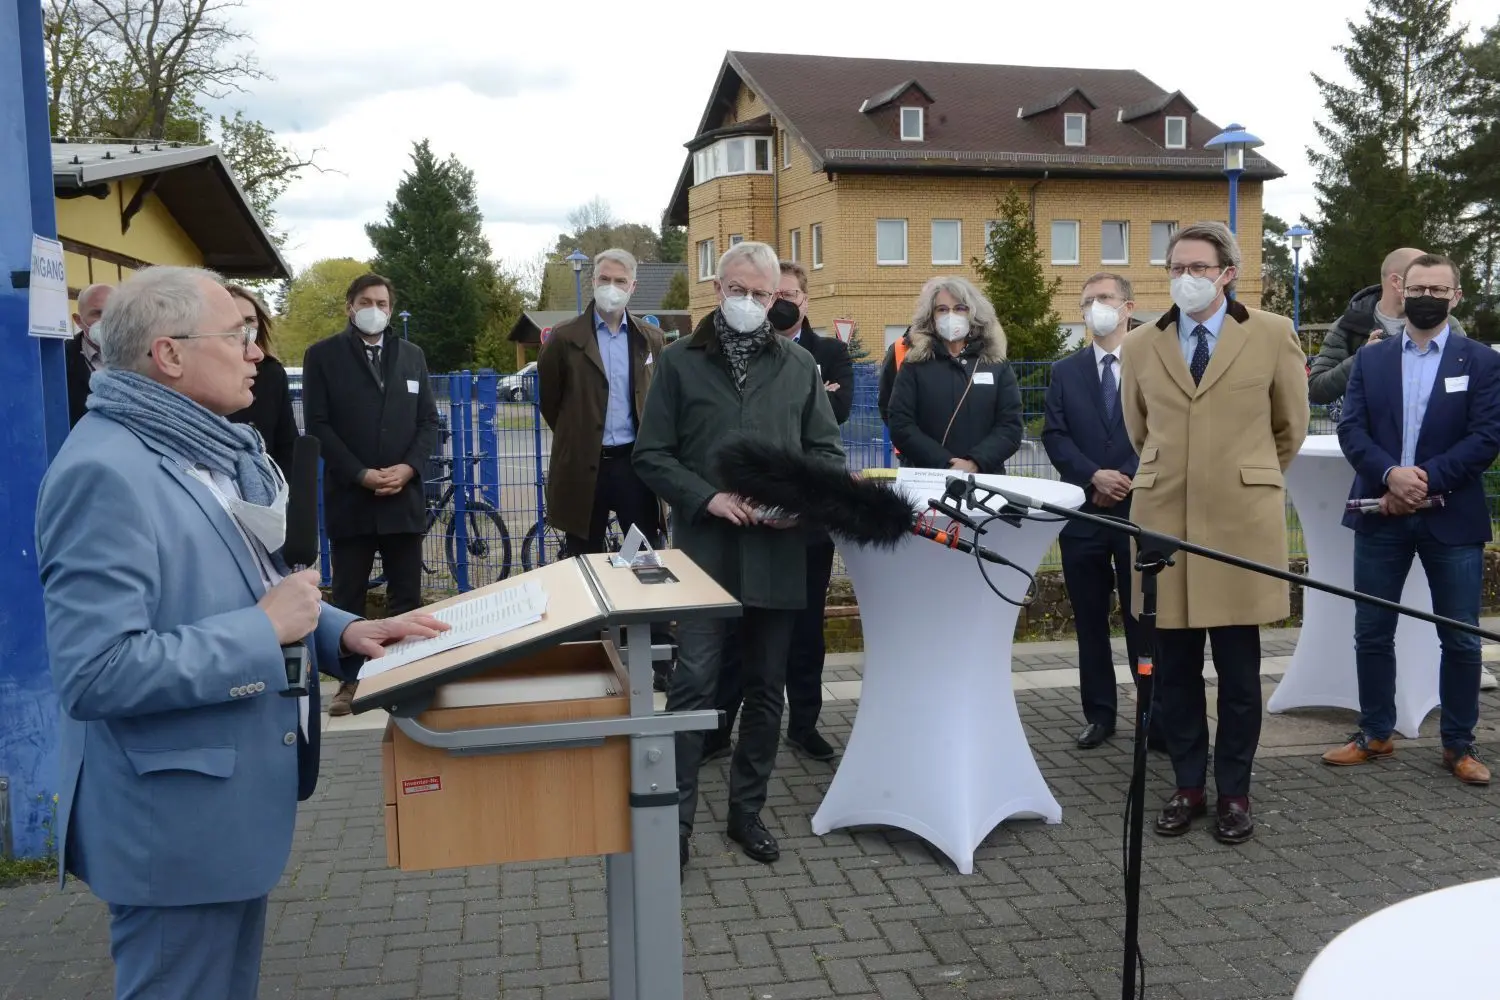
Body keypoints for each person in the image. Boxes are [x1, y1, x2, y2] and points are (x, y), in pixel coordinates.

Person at [35, 265, 446, 1000]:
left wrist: (343, 634)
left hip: (219, 822)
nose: (257, 352)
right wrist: (263, 631)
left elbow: (255, 592)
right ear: (169, 355)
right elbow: (95, 672)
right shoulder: (105, 471)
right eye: (240, 335)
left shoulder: (205, 448)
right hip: (174, 829)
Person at [633, 241, 845, 868]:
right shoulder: (677, 364)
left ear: (778, 295)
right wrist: (708, 498)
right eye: (739, 291)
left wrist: (796, 501)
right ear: (717, 290)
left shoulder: (800, 366)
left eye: (763, 293)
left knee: (766, 690)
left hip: (777, 553)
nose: (750, 303)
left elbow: (827, 455)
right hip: (706, 552)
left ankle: (745, 814)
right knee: (695, 686)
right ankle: (675, 824)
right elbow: (651, 455)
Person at [1120, 221, 1309, 845]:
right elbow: (1137, 430)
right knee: (1172, 672)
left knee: (1238, 671)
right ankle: (1188, 785)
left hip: (1239, 524)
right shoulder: (1143, 344)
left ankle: (1234, 791)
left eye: (1199, 267)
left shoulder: (1274, 335)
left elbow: (1290, 427)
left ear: (1227, 273)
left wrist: (1245, 477)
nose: (1186, 277)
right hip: (1163, 521)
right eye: (1177, 266)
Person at [1323, 253, 1500, 784]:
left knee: (1461, 637)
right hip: (1382, 512)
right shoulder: (1372, 360)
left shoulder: (1482, 362)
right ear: (1401, 292)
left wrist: (1422, 478)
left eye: (1438, 289)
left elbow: (1487, 437)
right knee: (1373, 631)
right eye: (1418, 287)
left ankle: (1459, 745)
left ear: (1456, 297)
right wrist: (1391, 477)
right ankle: (1375, 731)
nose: (1427, 297)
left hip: (1452, 517)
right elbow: (1352, 429)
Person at [704, 261, 854, 764]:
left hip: (802, 522)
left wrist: (795, 494)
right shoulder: (733, 355)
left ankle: (805, 724)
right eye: (774, 292)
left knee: (805, 633)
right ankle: (719, 729)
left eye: (785, 293)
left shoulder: (826, 353)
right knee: (733, 635)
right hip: (742, 522)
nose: (777, 301)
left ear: (798, 300)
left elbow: (836, 418)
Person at [302, 273, 440, 715]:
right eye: (366, 301)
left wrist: (410, 467)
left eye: (382, 302)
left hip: (403, 496)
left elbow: (427, 423)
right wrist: (360, 473)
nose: (374, 309)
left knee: (406, 596)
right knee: (348, 596)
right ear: (349, 306)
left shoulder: (412, 356)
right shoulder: (322, 356)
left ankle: (407, 678)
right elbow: (318, 425)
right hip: (352, 496)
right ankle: (350, 682)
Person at [1042, 272, 1150, 750]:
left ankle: (1154, 714)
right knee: (1089, 621)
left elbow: (1163, 429)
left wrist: (1123, 474)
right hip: (1084, 515)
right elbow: (1055, 435)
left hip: (1138, 510)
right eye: (1087, 301)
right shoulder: (1065, 371)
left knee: (1143, 618)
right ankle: (1100, 714)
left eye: (1104, 298)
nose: (1094, 308)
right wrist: (1093, 476)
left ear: (1128, 306)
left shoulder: (1154, 364)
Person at [538, 248, 667, 556]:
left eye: (620, 281)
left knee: (644, 555)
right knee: (583, 557)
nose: (612, 287)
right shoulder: (564, 338)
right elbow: (550, 402)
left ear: (632, 287)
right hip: (584, 467)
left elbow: (660, 396)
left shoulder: (650, 338)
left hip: (634, 465)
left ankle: (639, 604)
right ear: (593, 282)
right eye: (605, 278)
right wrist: (580, 433)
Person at [887, 276, 1023, 474]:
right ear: (931, 317)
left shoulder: (995, 364)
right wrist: (946, 462)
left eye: (959, 308)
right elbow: (901, 424)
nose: (950, 315)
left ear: (973, 313)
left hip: (985, 479)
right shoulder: (914, 364)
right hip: (927, 477)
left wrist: (974, 462)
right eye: (942, 309)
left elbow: (1010, 427)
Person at [224, 284, 298, 477]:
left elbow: (287, 441)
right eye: (234, 321)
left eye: (250, 320)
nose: (244, 329)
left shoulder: (272, 373)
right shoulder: (198, 375)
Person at [64, 282, 112, 427]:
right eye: (98, 313)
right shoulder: (60, 361)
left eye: (114, 312)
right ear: (78, 320)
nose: (108, 321)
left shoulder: (146, 355)